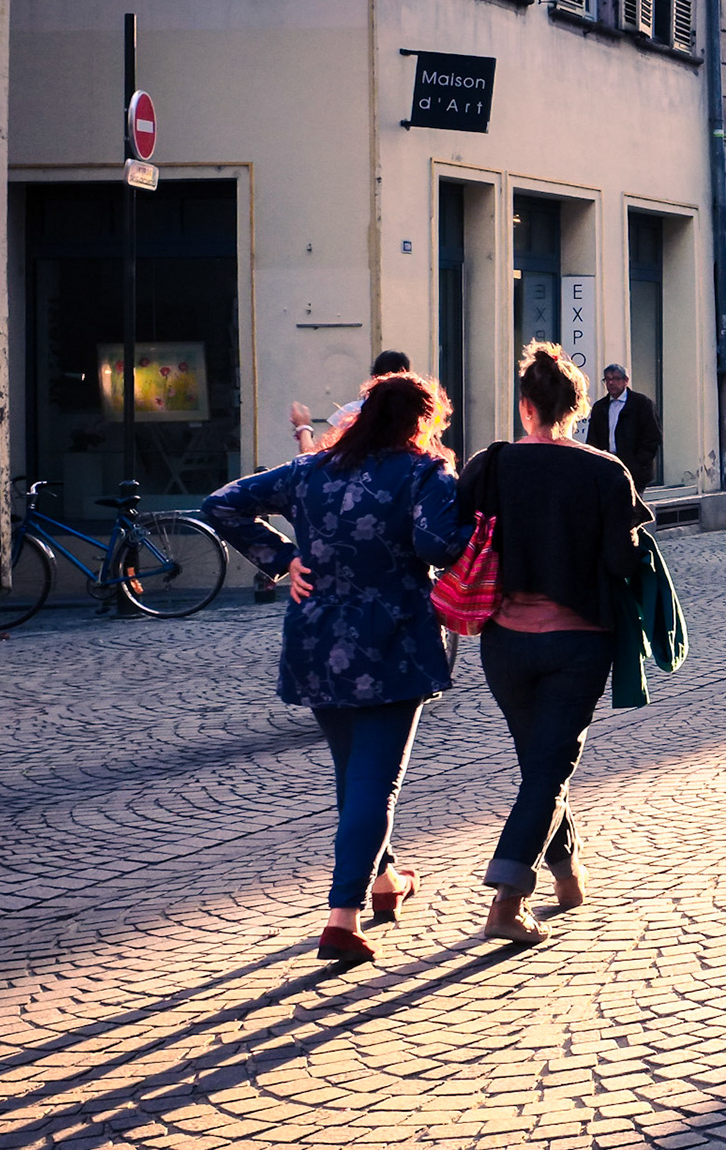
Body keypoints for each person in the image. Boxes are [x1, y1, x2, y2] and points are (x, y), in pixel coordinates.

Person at [202, 372, 471, 966]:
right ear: (421, 423)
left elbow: (221, 504)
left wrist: (282, 559)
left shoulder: (312, 470)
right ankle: (341, 917)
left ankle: (384, 882)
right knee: (376, 783)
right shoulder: (424, 472)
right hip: (391, 640)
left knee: (354, 776)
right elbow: (436, 547)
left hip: (318, 638)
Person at [458, 342, 652, 945]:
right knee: (547, 768)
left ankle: (567, 877)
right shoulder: (603, 470)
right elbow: (622, 560)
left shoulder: (489, 465)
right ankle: (508, 900)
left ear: (525, 408)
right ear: (578, 407)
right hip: (577, 642)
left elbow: (451, 538)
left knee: (540, 765)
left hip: (505, 644)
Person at [290, 351, 413, 456]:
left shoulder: (352, 413)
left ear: (374, 379)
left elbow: (313, 457)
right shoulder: (419, 419)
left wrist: (303, 427)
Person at [584, 363, 662, 492]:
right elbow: (593, 437)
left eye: (615, 378)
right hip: (606, 468)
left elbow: (652, 436)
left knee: (632, 509)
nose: (611, 383)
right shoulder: (600, 407)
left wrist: (638, 463)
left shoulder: (641, 403)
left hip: (634, 470)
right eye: (607, 379)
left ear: (626, 381)